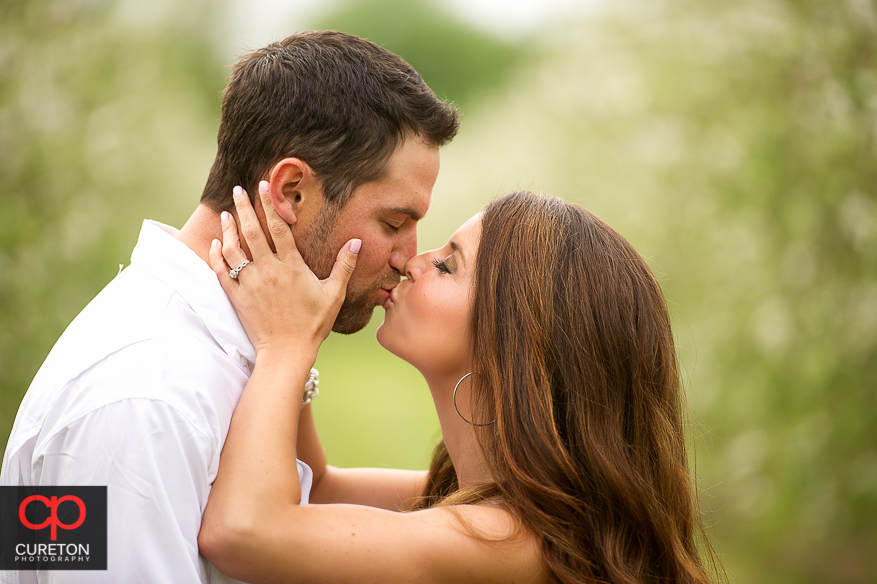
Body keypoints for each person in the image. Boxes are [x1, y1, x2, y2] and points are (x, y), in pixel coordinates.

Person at [0, 31, 458, 583]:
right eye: (394, 222)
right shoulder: (142, 398)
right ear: (291, 191)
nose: (408, 257)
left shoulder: (235, 345)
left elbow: (314, 501)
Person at [198, 186, 719, 584]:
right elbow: (319, 487)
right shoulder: (496, 501)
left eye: (447, 265)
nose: (412, 262)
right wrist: (296, 323)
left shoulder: (511, 539)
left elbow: (242, 530)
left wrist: (284, 346)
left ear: (508, 342)